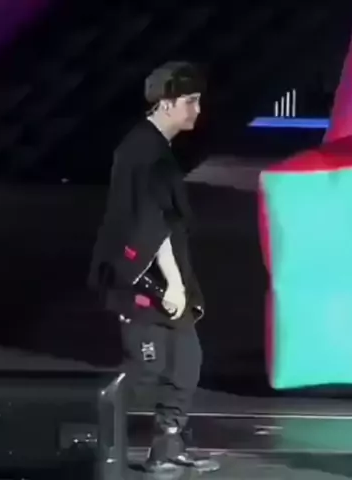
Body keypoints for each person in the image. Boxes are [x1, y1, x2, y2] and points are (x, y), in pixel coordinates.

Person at [88, 61, 220, 475]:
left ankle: (167, 445)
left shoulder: (155, 149)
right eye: (190, 101)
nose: (197, 110)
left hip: (163, 274)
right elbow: (151, 223)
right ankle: (89, 438)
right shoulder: (142, 152)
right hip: (142, 279)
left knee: (185, 361)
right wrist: (175, 283)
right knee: (146, 369)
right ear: (166, 103)